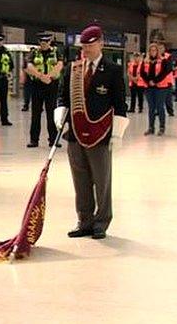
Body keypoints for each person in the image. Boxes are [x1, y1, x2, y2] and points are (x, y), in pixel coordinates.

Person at [54, 24, 128, 240]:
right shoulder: (73, 69)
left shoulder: (113, 70)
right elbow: (63, 97)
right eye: (83, 46)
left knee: (102, 180)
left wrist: (117, 134)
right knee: (81, 180)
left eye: (90, 45)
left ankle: (101, 222)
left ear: (101, 43)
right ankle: (84, 220)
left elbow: (120, 104)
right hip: (76, 133)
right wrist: (60, 114)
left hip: (100, 133)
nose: (85, 50)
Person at [26, 32, 63, 148]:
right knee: (35, 113)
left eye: (46, 42)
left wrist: (49, 77)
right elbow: (28, 66)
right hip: (37, 85)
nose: (44, 44)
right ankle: (34, 140)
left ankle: (53, 139)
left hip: (51, 85)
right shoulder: (34, 52)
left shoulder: (56, 52)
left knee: (51, 113)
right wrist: (41, 76)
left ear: (50, 42)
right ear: (39, 42)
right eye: (42, 42)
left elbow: (60, 65)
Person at [141, 42, 173, 135]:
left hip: (160, 87)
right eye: (151, 50)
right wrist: (148, 81)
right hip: (149, 87)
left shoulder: (163, 60)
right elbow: (142, 73)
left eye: (154, 50)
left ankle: (162, 127)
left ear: (157, 51)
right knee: (151, 108)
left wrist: (155, 81)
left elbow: (164, 73)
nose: (153, 52)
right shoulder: (145, 61)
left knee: (160, 107)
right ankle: (151, 127)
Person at [159, 43, 175, 117]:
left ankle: (170, 111)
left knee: (168, 97)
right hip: (158, 80)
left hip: (167, 80)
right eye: (159, 48)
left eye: (161, 48)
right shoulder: (155, 57)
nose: (160, 50)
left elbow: (169, 68)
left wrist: (161, 74)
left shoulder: (168, 56)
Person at [21, 48, 35, 112]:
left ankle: (27, 105)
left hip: (34, 78)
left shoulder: (37, 59)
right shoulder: (27, 59)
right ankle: (26, 105)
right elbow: (24, 68)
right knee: (27, 93)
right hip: (29, 78)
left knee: (31, 93)